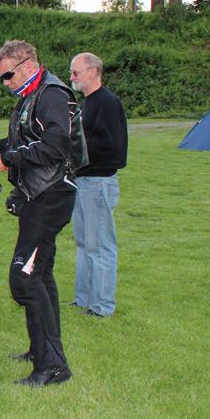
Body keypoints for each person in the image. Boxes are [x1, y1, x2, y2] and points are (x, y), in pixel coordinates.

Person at [0, 40, 76, 387]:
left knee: (25, 278)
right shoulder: (31, 95)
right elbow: (27, 139)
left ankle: (53, 367)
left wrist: (9, 159)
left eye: (8, 75)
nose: (5, 83)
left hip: (51, 194)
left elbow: (55, 146)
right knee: (41, 275)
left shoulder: (52, 94)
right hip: (38, 194)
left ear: (28, 65)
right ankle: (42, 351)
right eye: (1, 77)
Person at [69, 52, 128, 318]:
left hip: (98, 181)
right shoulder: (87, 104)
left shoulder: (107, 103)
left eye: (76, 72)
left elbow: (113, 147)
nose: (72, 78)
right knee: (84, 242)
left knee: (100, 244)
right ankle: (83, 299)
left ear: (93, 71)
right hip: (82, 180)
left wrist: (76, 147)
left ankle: (102, 306)